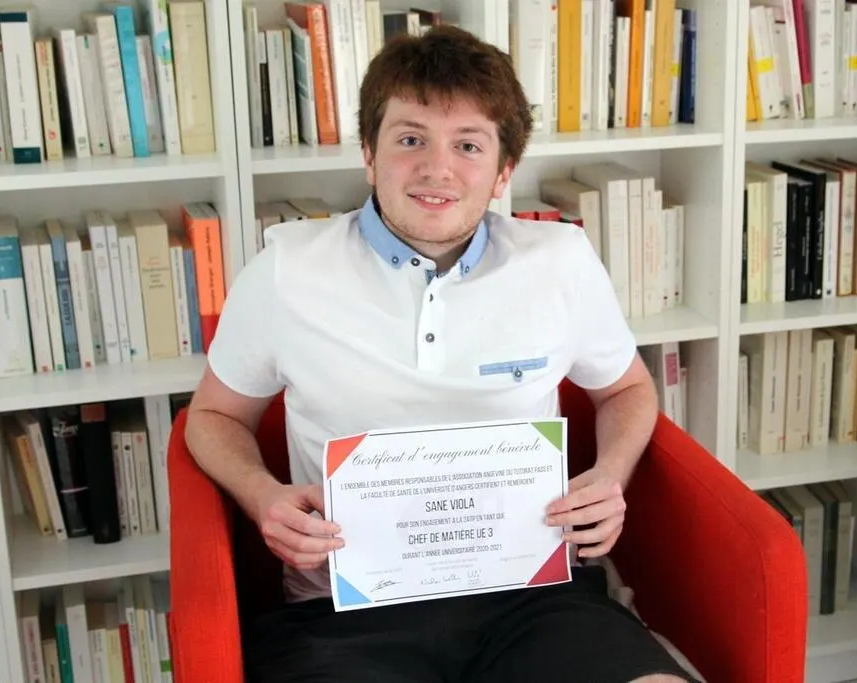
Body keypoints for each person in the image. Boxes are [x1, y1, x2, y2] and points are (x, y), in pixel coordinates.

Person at [184, 23, 699, 683]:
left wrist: (611, 473)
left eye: (468, 145)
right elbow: (212, 416)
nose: (437, 169)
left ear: (503, 171)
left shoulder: (561, 261)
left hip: (536, 600)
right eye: (410, 139)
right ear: (368, 154)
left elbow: (626, 388)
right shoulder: (285, 270)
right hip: (344, 616)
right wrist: (263, 496)